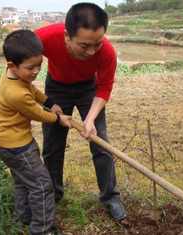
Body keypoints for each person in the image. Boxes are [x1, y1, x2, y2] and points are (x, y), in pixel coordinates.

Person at [34, 2, 125, 221]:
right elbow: (19, 61)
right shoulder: (43, 38)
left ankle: (110, 197)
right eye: (84, 45)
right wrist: (43, 100)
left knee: (100, 142)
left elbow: (104, 88)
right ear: (67, 36)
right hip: (56, 87)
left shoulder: (107, 52)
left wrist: (90, 119)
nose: (91, 51)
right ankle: (53, 195)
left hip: (89, 89)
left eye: (97, 43)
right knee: (52, 146)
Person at [0, 30, 72, 235]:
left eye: (40, 64)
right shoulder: (15, 94)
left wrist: (50, 102)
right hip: (18, 147)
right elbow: (37, 114)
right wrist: (58, 118)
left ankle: (22, 218)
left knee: (23, 181)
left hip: (6, 143)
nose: (37, 70)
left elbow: (32, 89)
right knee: (42, 186)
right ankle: (42, 230)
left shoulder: (15, 75)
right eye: (31, 67)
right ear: (12, 65)